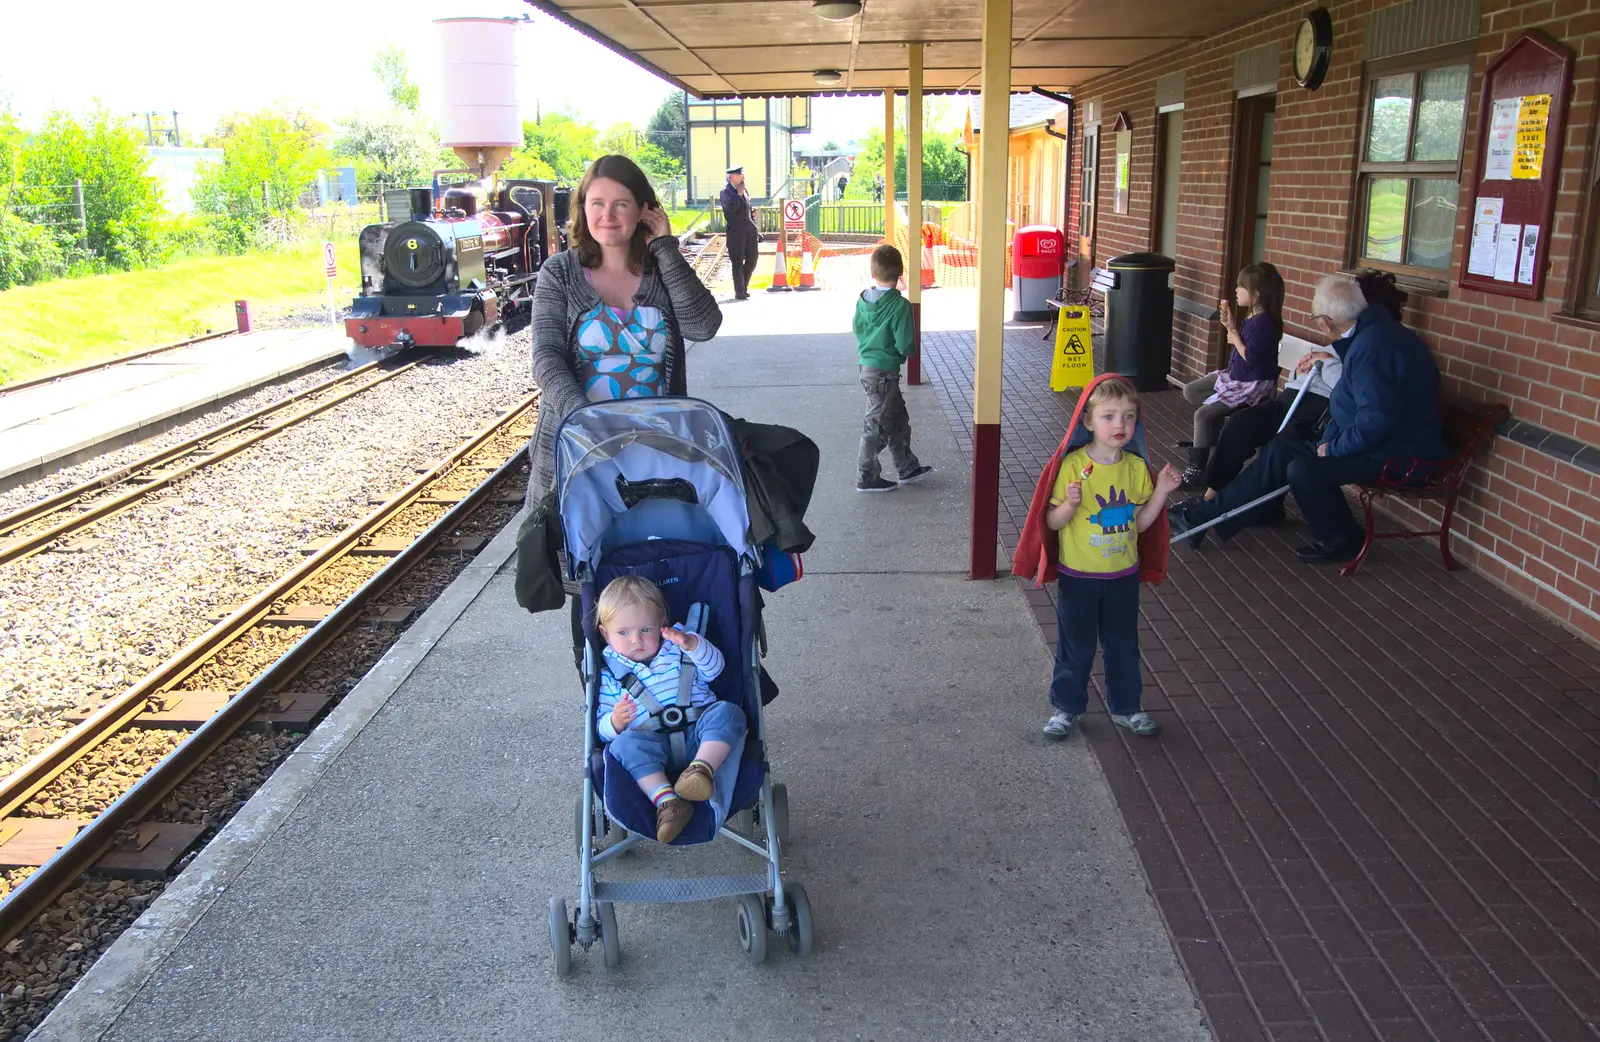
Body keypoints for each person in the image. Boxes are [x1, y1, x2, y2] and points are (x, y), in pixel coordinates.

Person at [527, 154, 721, 656]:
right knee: (592, 581)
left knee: (659, 565)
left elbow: (703, 326)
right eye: (596, 204)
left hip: (655, 455)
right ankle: (604, 706)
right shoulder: (560, 274)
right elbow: (546, 359)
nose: (607, 215)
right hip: (580, 454)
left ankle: (673, 680)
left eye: (621, 204)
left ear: (643, 211)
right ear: (581, 210)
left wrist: (667, 248)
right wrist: (587, 422)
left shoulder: (662, 271)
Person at [1169, 272, 1450, 563]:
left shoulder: (1373, 349)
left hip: (1400, 453)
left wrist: (1333, 448)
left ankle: (1342, 538)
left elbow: (1375, 421)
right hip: (1382, 441)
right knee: (1282, 448)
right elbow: (1349, 403)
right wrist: (1329, 439)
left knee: (1303, 468)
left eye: (1316, 318)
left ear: (1327, 322)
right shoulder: (1370, 336)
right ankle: (1202, 517)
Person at [1043, 377, 1182, 740]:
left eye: (1128, 416)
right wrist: (1070, 504)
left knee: (1123, 646)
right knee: (1076, 645)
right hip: (1079, 577)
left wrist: (1162, 493)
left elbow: (1139, 524)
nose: (1119, 425)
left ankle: (1127, 708)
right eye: (1108, 416)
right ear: (1087, 421)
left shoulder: (1135, 468)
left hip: (1122, 576)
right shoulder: (1072, 466)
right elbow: (1052, 522)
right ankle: (1066, 707)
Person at [1198, 269, 1407, 499]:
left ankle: (1228, 507)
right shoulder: (1347, 339)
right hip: (1291, 399)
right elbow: (1303, 377)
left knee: (1279, 445)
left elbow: (1348, 388)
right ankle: (1211, 493)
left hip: (1315, 411)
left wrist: (1325, 362)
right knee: (1240, 424)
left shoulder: (1371, 345)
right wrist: (1301, 370)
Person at [594, 575, 745, 845]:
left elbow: (715, 670)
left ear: (661, 624)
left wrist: (693, 645)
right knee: (623, 745)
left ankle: (700, 770)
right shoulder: (611, 676)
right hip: (652, 746)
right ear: (605, 633)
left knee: (728, 712)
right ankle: (668, 802)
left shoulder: (680, 646)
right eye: (623, 633)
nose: (636, 640)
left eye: (645, 630)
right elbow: (601, 729)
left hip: (700, 737)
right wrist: (614, 721)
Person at [1178, 263, 1285, 488]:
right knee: (1191, 389)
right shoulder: (1253, 317)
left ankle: (1197, 472)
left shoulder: (1265, 323)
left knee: (1202, 415)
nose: (1236, 291)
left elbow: (1252, 358)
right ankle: (1211, 435)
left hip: (1251, 384)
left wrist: (1235, 336)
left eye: (1241, 287)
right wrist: (1232, 326)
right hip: (1236, 376)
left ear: (1256, 292)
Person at [854, 244, 933, 493]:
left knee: (898, 419)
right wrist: (905, 352)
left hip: (867, 367)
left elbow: (857, 328)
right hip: (885, 372)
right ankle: (866, 475)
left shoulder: (863, 300)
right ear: (900, 273)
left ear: (872, 273)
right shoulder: (900, 306)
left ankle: (906, 466)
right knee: (875, 424)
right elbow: (905, 344)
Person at [718, 165, 760, 301]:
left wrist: (755, 228)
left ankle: (744, 287)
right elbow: (730, 210)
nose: (743, 176)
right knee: (737, 262)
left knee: (752, 260)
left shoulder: (744, 190)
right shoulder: (725, 192)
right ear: (732, 177)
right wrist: (739, 195)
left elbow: (749, 211)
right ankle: (739, 291)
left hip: (749, 231)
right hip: (736, 232)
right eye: (739, 174)